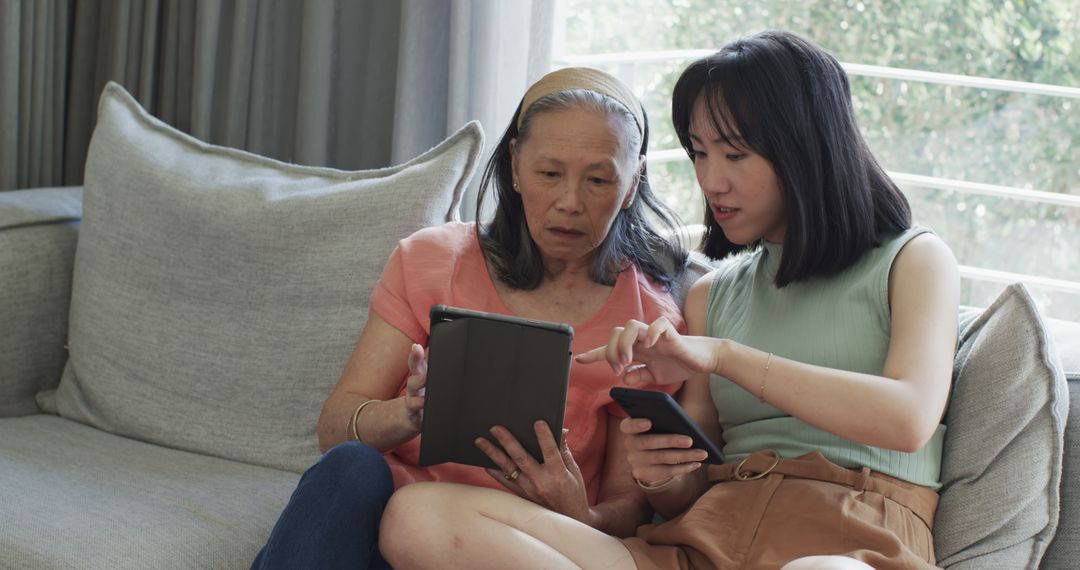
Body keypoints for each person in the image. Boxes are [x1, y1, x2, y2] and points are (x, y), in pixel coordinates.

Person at [378, 30, 960, 570]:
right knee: (418, 516)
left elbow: (907, 419)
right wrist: (660, 473)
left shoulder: (912, 261)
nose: (712, 181)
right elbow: (693, 487)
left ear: (806, 148)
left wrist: (726, 356)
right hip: (710, 535)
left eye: (734, 155)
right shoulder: (711, 295)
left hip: (852, 536)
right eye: (699, 154)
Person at [251, 66, 690, 569]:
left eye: (598, 179)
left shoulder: (647, 323)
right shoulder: (431, 260)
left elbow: (629, 511)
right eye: (550, 174)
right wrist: (407, 414)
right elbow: (333, 431)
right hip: (380, 527)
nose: (571, 202)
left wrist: (576, 509)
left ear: (632, 184)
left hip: (504, 547)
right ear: (516, 167)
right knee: (350, 467)